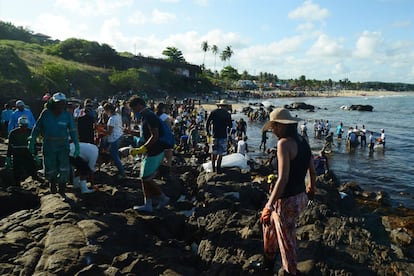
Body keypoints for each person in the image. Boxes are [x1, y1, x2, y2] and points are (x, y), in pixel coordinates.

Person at [260, 108, 316, 275]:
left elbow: (282, 179)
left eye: (275, 127)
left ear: (283, 126)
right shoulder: (303, 141)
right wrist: (312, 187)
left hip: (285, 201)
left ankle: (290, 271)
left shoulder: (283, 144)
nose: (273, 131)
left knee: (286, 240)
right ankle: (267, 265)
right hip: (300, 197)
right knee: (268, 227)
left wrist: (268, 206)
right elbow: (312, 169)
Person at [29, 92, 80, 199]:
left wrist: (76, 145)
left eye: (62, 103)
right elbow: (37, 127)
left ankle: (62, 189)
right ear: (53, 103)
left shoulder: (67, 115)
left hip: (63, 144)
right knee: (50, 166)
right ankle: (52, 182)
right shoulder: (46, 113)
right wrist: (32, 140)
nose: (60, 106)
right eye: (58, 103)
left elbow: (73, 131)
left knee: (64, 168)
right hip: (49, 144)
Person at [128, 96, 170, 212]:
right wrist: (130, 132)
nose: (133, 112)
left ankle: (162, 198)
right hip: (150, 151)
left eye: (133, 109)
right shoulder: (145, 117)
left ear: (139, 106)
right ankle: (149, 203)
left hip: (154, 151)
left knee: (146, 178)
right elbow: (144, 134)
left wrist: (142, 148)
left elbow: (154, 136)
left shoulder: (150, 116)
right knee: (144, 178)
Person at [6, 116, 39, 185]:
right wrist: (8, 157)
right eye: (22, 126)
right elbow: (10, 146)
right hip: (17, 153)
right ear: (19, 125)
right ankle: (16, 184)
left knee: (32, 168)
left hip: (27, 152)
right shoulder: (13, 133)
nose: (24, 128)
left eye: (25, 126)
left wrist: (36, 155)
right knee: (16, 170)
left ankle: (35, 181)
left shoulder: (30, 132)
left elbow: (33, 144)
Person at [205, 99, 232, 174]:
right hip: (223, 136)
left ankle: (213, 168)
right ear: (225, 106)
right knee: (221, 153)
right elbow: (230, 126)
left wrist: (207, 131)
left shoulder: (213, 112)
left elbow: (207, 122)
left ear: (219, 105)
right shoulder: (227, 114)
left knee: (213, 153)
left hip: (214, 135)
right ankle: (218, 169)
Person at [102, 103, 125, 179]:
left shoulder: (111, 119)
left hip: (115, 138)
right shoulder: (118, 115)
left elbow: (109, 132)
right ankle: (119, 169)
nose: (104, 112)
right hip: (120, 136)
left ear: (108, 110)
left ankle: (122, 173)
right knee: (114, 154)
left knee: (114, 155)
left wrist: (100, 130)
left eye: (105, 110)